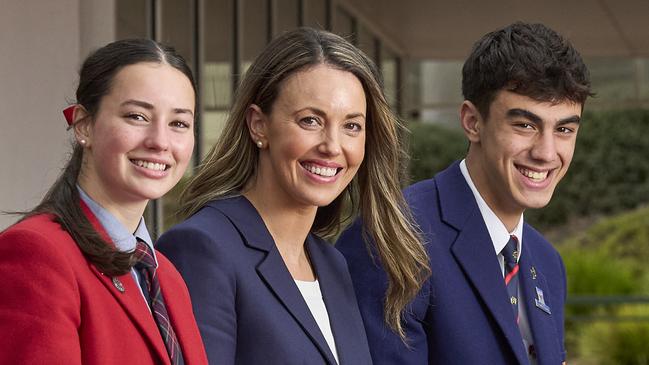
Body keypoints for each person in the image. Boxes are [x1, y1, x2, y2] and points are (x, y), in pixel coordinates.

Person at [156, 27, 430, 365]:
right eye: (310, 120)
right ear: (259, 125)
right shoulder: (202, 248)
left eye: (352, 126)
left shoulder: (332, 264)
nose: (332, 146)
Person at [337, 22, 592, 365]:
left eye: (564, 129)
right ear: (472, 122)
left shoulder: (547, 262)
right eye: (525, 125)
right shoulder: (393, 238)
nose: (547, 153)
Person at [0, 39, 208, 365]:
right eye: (137, 116)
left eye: (179, 123)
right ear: (84, 125)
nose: (160, 141)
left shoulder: (167, 277)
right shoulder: (38, 253)